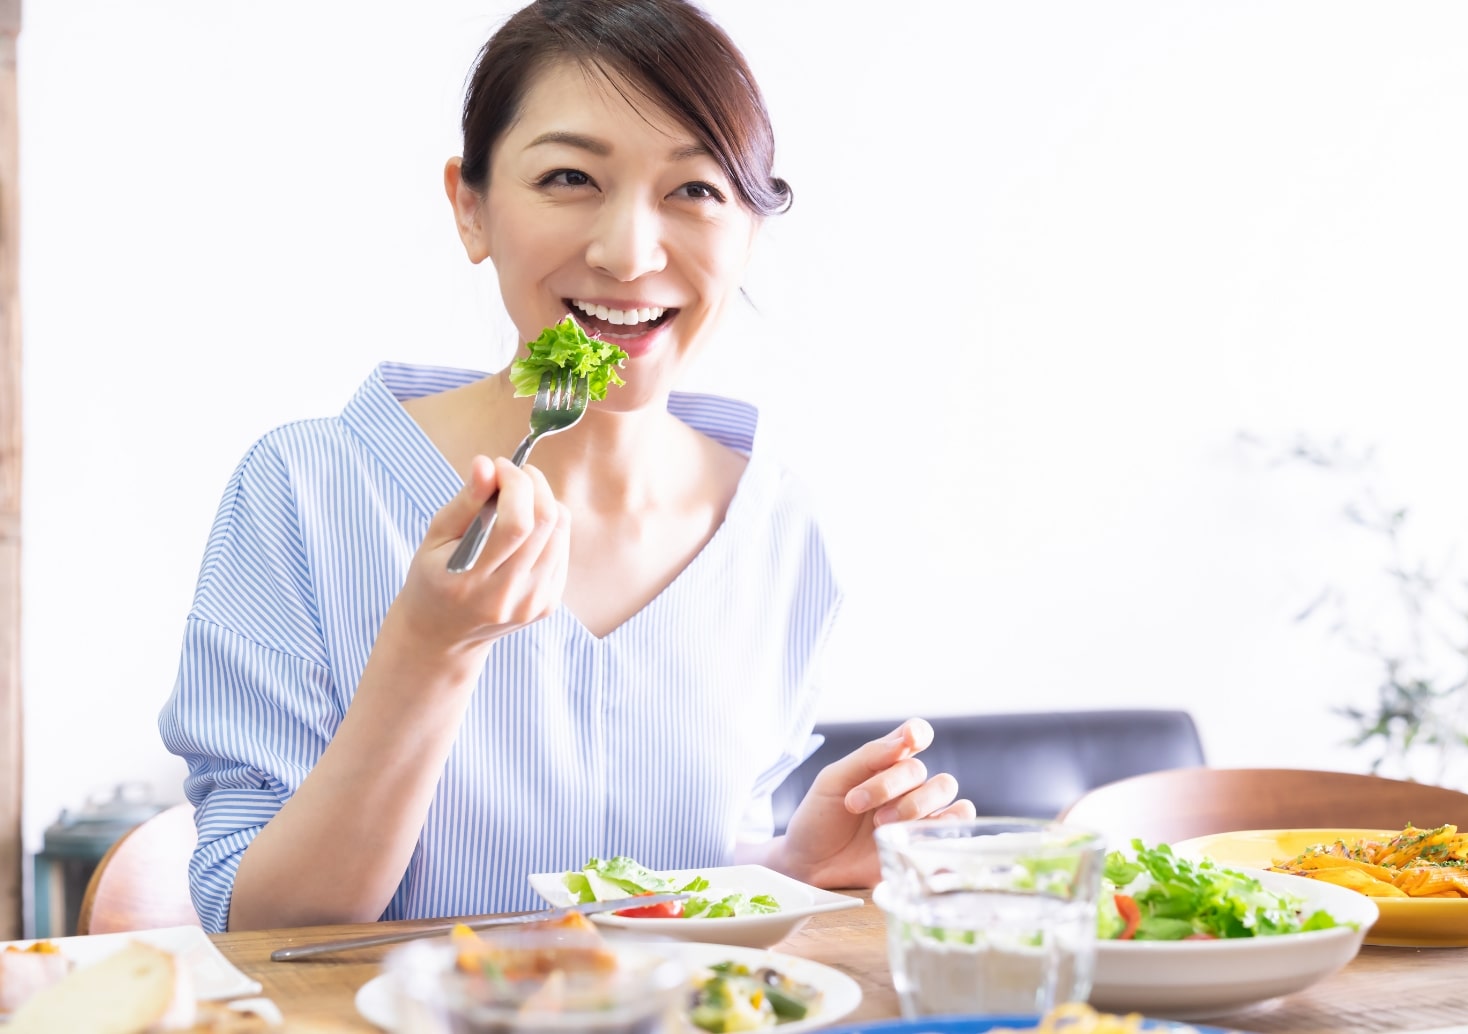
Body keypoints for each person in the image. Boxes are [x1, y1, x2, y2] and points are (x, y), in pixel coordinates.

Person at [158, 0, 973, 934]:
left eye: (695, 189)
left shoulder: (776, 527)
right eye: (570, 177)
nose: (628, 251)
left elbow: (669, 881)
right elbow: (264, 926)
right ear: (471, 208)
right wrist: (429, 653)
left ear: (750, 225)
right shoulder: (303, 492)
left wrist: (787, 866)